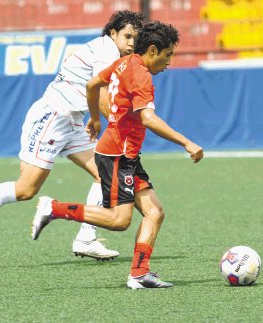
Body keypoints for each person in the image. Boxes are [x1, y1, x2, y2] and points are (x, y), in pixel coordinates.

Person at [0, 10, 146, 261]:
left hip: (75, 121)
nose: (131, 43)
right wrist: (120, 127)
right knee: (26, 190)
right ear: (112, 33)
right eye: (127, 36)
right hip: (53, 118)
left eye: (136, 38)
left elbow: (98, 92)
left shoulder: (111, 53)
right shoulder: (107, 51)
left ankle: (86, 239)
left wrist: (94, 119)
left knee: (104, 174)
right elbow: (102, 93)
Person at [31, 21, 204, 289]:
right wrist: (186, 142)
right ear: (153, 50)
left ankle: (139, 274)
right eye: (168, 54)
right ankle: (54, 209)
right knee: (119, 220)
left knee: (155, 212)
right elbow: (148, 118)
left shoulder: (124, 63)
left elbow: (91, 84)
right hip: (117, 156)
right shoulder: (141, 75)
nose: (170, 61)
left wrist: (96, 119)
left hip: (125, 154)